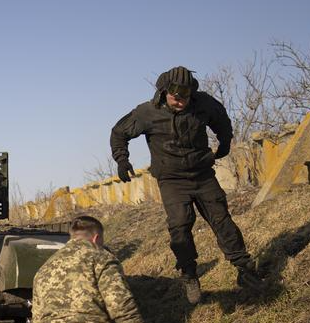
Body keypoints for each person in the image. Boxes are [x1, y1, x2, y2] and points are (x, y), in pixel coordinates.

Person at [110, 65, 262, 304]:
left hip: (202, 174)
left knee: (221, 219)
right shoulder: (147, 113)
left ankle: (245, 269)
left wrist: (224, 142)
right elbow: (119, 132)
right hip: (172, 180)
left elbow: (221, 119)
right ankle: (189, 275)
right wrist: (122, 160)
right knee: (180, 226)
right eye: (175, 97)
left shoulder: (203, 104)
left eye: (185, 97)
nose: (180, 101)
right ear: (164, 92)